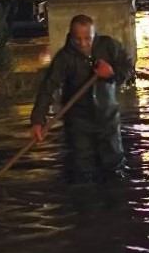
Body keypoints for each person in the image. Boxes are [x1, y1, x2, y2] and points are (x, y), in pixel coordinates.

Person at [30, 14, 134, 185]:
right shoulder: (64, 58)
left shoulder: (108, 46)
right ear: (71, 36)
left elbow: (128, 66)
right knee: (83, 171)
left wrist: (112, 72)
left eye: (87, 38)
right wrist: (37, 120)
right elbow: (48, 87)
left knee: (114, 167)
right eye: (78, 39)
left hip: (107, 119)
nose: (83, 44)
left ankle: (116, 204)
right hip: (78, 123)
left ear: (94, 34)